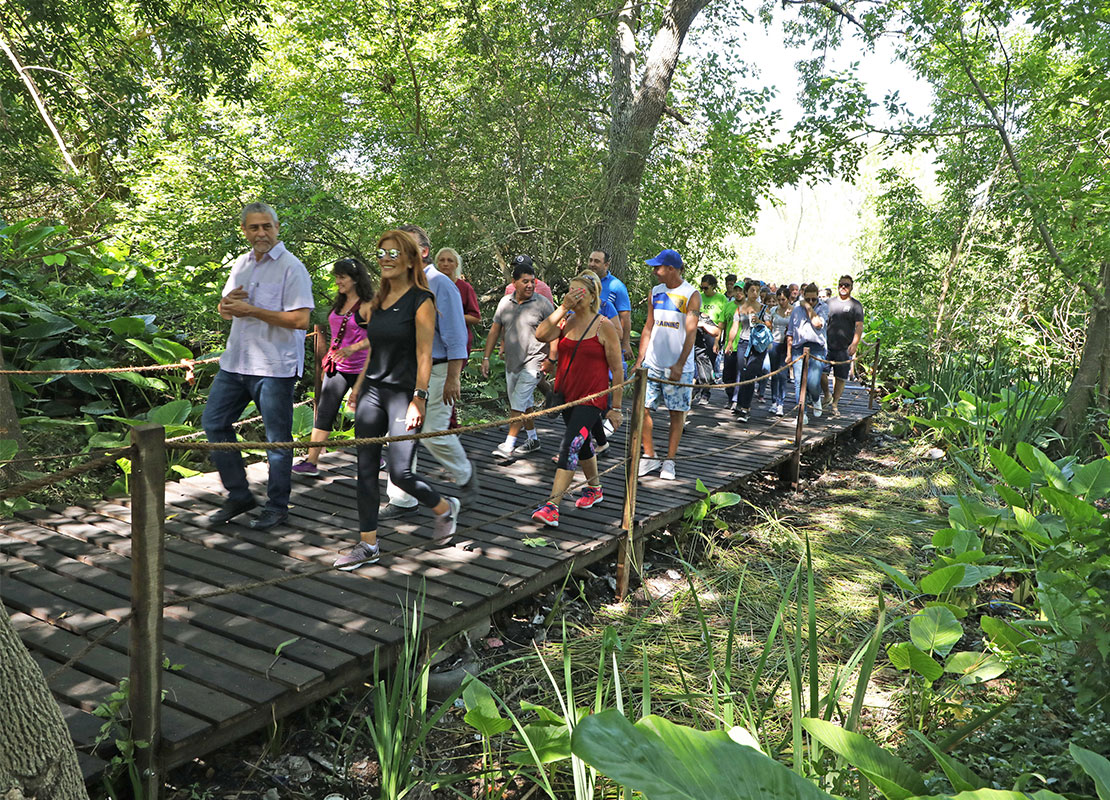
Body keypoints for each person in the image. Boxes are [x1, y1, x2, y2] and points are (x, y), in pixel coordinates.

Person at [333, 231, 461, 570]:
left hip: (404, 395)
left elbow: (424, 355)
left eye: (394, 252)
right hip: (373, 393)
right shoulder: (378, 301)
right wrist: (358, 386)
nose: (386, 258)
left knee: (402, 473)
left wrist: (418, 399)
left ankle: (444, 508)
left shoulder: (422, 301)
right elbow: (376, 349)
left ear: (409, 259)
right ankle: (368, 545)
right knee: (364, 470)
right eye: (381, 253)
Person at [202, 202, 314, 530]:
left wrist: (252, 310)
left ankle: (277, 505)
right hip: (236, 362)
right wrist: (228, 307)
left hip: (274, 367)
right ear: (245, 231)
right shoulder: (241, 263)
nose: (261, 233)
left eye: (267, 226)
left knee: (276, 440)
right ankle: (239, 494)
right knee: (213, 423)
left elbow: (300, 319)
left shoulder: (292, 268)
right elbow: (227, 308)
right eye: (254, 227)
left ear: (277, 228)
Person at [380, 225, 479, 518]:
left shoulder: (440, 284)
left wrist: (453, 377)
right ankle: (402, 499)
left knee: (433, 433)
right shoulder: (401, 283)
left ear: (423, 252)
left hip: (437, 369)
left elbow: (455, 334)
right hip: (404, 370)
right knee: (399, 432)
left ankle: (465, 476)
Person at [530, 272, 624, 526]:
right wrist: (563, 307)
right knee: (582, 445)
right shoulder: (566, 321)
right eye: (571, 290)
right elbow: (541, 334)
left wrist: (615, 408)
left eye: (579, 292)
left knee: (569, 444)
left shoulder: (604, 325)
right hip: (567, 396)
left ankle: (552, 506)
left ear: (593, 296)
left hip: (593, 399)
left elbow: (617, 369)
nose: (573, 295)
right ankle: (595, 488)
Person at [292, 258, 373, 477]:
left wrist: (353, 348)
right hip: (336, 367)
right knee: (325, 412)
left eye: (342, 277)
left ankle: (373, 457)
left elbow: (380, 336)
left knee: (366, 418)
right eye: (336, 276)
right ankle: (311, 461)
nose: (338, 281)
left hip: (362, 368)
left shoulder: (367, 305)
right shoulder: (339, 302)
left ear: (355, 279)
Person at [634, 248, 700, 482]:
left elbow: (691, 333)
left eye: (658, 268)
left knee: (676, 413)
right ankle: (649, 454)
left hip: (677, 366)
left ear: (671, 269)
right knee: (643, 409)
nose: (654, 272)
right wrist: (640, 359)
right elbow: (649, 326)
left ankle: (670, 461)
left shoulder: (691, 294)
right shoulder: (655, 292)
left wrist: (680, 364)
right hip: (653, 362)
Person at [483, 257, 555, 458]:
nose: (530, 285)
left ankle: (508, 444)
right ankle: (533, 439)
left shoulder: (542, 303)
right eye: (525, 281)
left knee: (518, 402)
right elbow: (495, 329)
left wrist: (552, 358)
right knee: (525, 403)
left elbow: (556, 329)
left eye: (533, 281)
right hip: (512, 361)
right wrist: (486, 357)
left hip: (534, 361)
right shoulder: (505, 302)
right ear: (514, 283)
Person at [726, 280, 770, 422]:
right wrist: (730, 343)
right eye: (752, 290)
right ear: (746, 292)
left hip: (757, 346)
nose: (755, 293)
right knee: (742, 372)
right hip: (744, 343)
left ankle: (746, 408)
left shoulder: (763, 308)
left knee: (751, 373)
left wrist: (761, 321)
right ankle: (739, 403)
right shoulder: (740, 308)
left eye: (757, 290)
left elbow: (770, 326)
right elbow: (734, 326)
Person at [785, 282, 829, 423]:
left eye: (814, 299)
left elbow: (817, 324)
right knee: (799, 381)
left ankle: (816, 399)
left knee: (812, 382)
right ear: (803, 296)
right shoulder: (796, 310)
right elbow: (790, 332)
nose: (811, 301)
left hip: (816, 348)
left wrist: (808, 307)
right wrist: (789, 353)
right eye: (808, 299)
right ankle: (801, 413)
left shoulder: (823, 308)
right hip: (799, 348)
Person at [825, 274, 864, 417]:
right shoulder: (829, 303)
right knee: (822, 374)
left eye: (846, 285)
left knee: (840, 377)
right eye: (841, 284)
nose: (843, 287)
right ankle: (827, 395)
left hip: (844, 347)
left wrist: (854, 344)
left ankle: (835, 403)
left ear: (851, 287)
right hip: (827, 345)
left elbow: (859, 326)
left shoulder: (856, 305)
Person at [587, 249, 633, 360]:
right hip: (584, 340)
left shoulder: (617, 286)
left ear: (606, 265)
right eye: (590, 260)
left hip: (607, 341)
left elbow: (625, 317)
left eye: (597, 261)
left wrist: (625, 343)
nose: (592, 264)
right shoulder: (584, 282)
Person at [694, 274, 730, 405]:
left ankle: (705, 393)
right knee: (697, 362)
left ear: (713, 286)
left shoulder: (721, 299)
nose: (703, 290)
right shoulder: (699, 297)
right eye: (701, 287)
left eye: (706, 288)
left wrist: (717, 341)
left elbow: (721, 322)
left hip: (712, 332)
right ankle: (696, 388)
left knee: (709, 363)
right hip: (697, 332)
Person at [436, 247, 481, 351]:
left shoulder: (465, 288)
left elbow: (475, 318)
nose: (445, 264)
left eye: (450, 260)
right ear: (437, 263)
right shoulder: (431, 286)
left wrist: (452, 316)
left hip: (458, 342)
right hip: (435, 342)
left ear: (456, 264)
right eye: (442, 260)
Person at [767, 286, 793, 416]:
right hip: (774, 343)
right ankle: (773, 401)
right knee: (774, 373)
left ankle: (781, 403)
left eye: (783, 299)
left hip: (786, 344)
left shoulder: (794, 311)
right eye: (779, 300)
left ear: (788, 299)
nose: (781, 302)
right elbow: (768, 325)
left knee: (783, 375)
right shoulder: (773, 310)